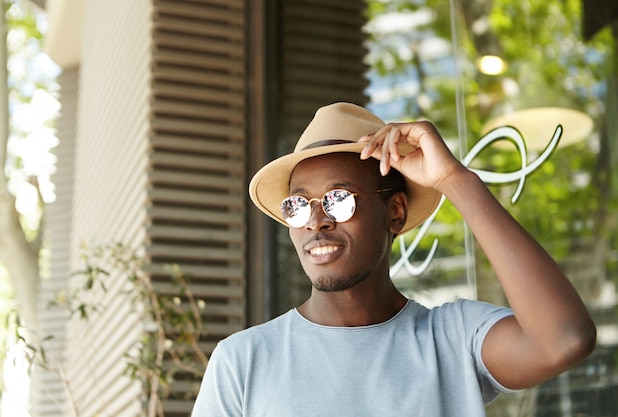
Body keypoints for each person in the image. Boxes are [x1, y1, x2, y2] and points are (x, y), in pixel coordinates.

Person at [191, 102, 596, 416]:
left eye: (338, 198)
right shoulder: (242, 361)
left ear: (395, 213)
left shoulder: (452, 340)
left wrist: (455, 180)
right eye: (298, 205)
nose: (317, 220)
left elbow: (563, 339)